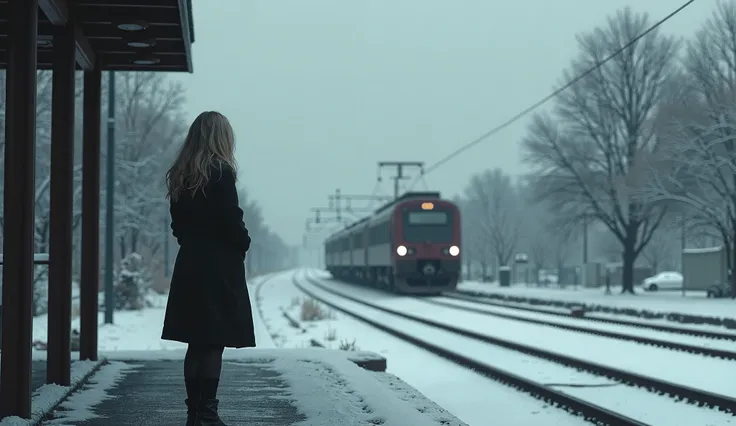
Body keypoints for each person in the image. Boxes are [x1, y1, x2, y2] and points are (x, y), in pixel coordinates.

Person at [162, 111, 254, 426]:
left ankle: (193, 414)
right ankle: (209, 414)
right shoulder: (221, 172)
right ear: (221, 138)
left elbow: (178, 226)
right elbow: (231, 218)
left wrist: (192, 241)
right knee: (213, 341)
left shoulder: (180, 175)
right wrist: (243, 242)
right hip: (219, 267)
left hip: (190, 264)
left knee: (195, 341)